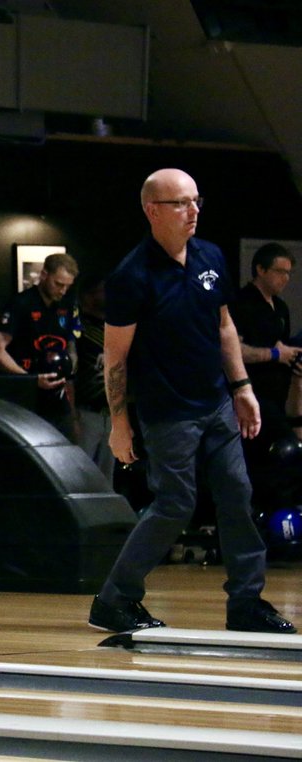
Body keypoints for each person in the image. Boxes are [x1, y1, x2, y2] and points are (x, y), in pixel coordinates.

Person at [89, 168, 295, 635]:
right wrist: (119, 423)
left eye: (196, 201)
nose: (193, 211)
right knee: (175, 505)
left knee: (238, 495)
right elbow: (115, 357)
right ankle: (114, 599)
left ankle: (245, 602)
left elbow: (224, 327)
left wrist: (242, 389)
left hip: (216, 403)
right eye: (181, 203)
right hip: (167, 412)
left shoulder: (210, 256)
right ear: (151, 211)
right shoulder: (131, 276)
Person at [229, 243, 302, 494]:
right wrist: (274, 354)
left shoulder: (280, 307)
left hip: (279, 392)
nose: (285, 278)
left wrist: (287, 354)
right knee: (273, 449)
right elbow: (233, 351)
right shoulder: (241, 303)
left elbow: (280, 345)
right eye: (279, 271)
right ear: (260, 269)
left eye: (288, 272)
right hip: (252, 392)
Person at [0, 252, 81, 438]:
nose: (62, 291)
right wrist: (29, 379)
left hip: (58, 397)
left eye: (67, 286)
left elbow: (71, 350)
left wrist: (73, 411)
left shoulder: (68, 305)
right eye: (58, 284)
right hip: (24, 398)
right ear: (44, 275)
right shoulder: (21, 303)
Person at [75, 273, 115, 486]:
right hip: (85, 412)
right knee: (80, 475)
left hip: (111, 413)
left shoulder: (113, 326)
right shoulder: (77, 328)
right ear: (89, 296)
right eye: (104, 290)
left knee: (106, 481)